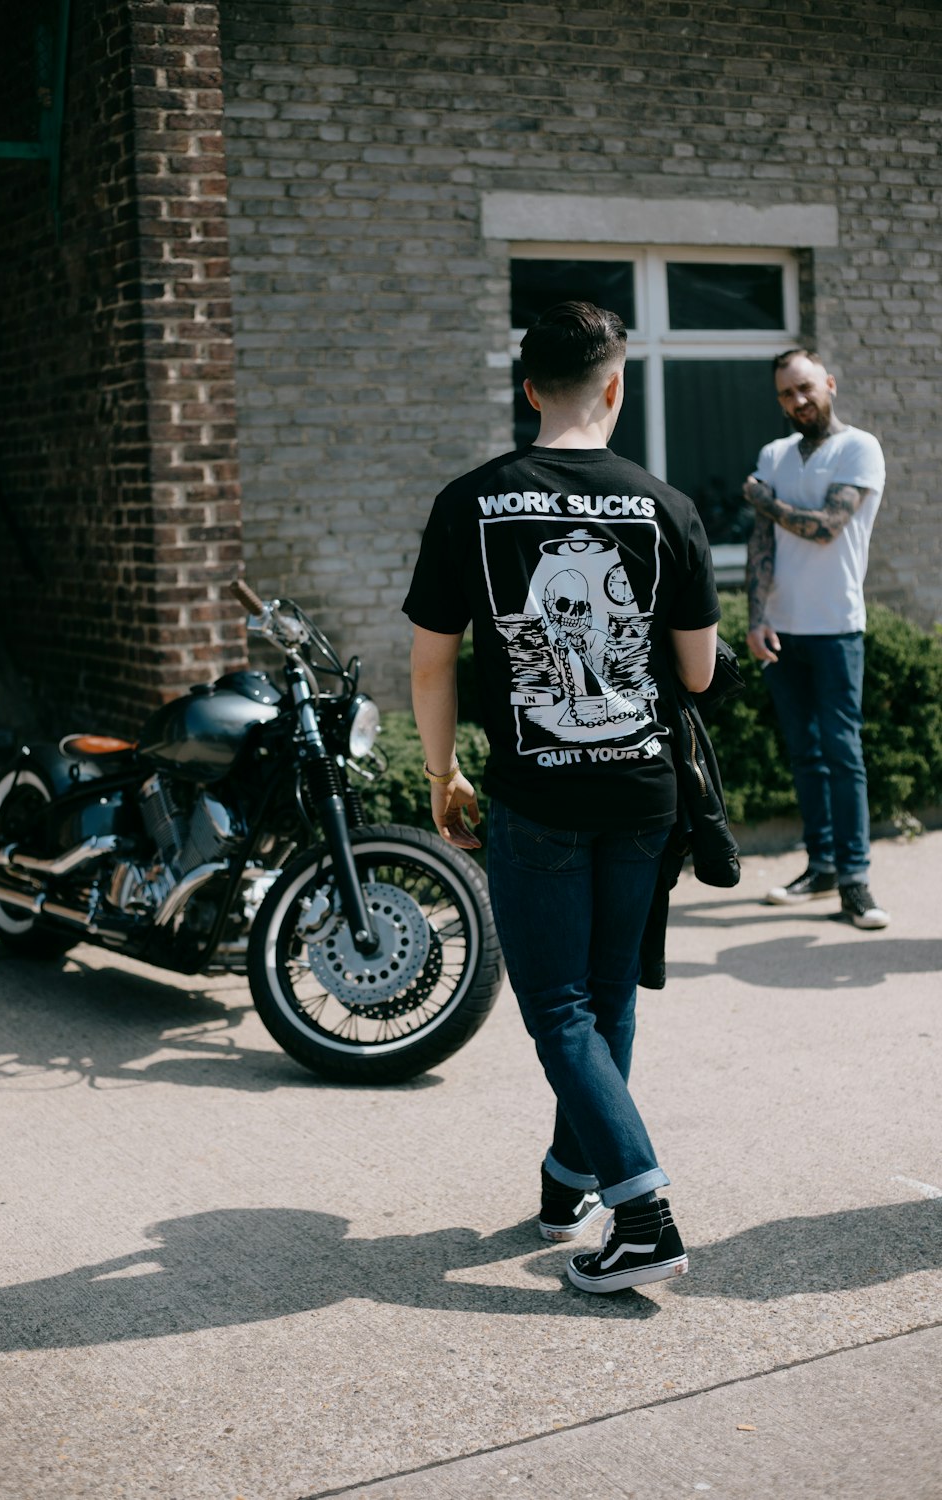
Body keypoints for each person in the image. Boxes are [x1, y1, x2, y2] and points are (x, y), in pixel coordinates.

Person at [403, 301, 719, 1294]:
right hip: (641, 792)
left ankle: (642, 1212)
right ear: (615, 385)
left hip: (533, 793)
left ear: (528, 387)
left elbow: (429, 662)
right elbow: (700, 676)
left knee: (557, 1010)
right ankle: (566, 1178)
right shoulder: (665, 505)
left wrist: (441, 770)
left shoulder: (470, 501)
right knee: (607, 994)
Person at [743, 349, 889, 930]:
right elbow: (763, 543)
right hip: (782, 627)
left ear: (829, 383)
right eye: (785, 394)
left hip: (836, 627)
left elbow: (828, 528)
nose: (797, 401)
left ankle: (855, 880)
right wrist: (756, 617)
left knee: (842, 754)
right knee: (805, 754)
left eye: (805, 388)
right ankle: (822, 865)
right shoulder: (774, 453)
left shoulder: (859, 447)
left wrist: (764, 499)